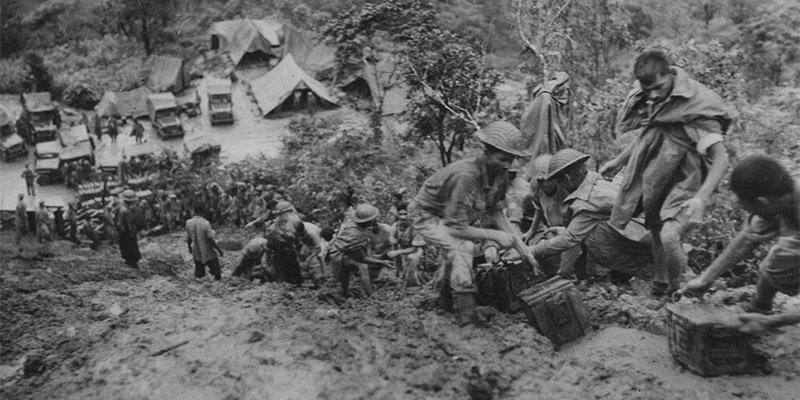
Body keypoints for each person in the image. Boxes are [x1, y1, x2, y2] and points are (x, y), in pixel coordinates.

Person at [599, 50, 732, 297]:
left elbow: (722, 158)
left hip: (689, 180)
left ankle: (680, 292)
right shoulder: (660, 100)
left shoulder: (698, 105)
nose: (654, 95)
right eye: (648, 90)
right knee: (658, 231)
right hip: (660, 174)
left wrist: (701, 197)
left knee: (671, 236)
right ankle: (661, 287)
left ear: (671, 73)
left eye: (659, 87)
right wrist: (619, 161)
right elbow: (652, 133)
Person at [409, 120, 538, 326]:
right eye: (502, 158)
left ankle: (445, 301)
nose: (507, 164)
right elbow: (455, 227)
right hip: (428, 216)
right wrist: (495, 236)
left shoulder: (501, 174)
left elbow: (497, 212)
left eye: (511, 159)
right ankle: (467, 316)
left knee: (460, 251)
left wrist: (524, 251)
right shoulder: (466, 175)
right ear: (486, 152)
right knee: (463, 247)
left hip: (456, 216)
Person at [679, 155, 799, 316]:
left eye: (749, 208)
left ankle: (761, 309)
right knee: (778, 258)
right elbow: (748, 238)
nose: (749, 213)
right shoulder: (778, 198)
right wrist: (705, 279)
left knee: (783, 254)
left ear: (763, 201)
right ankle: (760, 306)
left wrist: (771, 323)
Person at [528, 149, 653, 282]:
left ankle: (643, 271)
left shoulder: (587, 200)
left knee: (593, 235)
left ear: (566, 178)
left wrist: (530, 250)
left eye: (559, 180)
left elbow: (569, 239)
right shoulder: (597, 183)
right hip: (651, 231)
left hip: (647, 239)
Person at [328, 203, 394, 297]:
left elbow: (349, 212)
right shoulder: (358, 236)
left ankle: (344, 292)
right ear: (368, 221)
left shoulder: (351, 219)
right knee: (363, 267)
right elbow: (361, 258)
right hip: (340, 254)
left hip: (339, 250)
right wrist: (382, 263)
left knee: (347, 271)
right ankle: (370, 296)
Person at [186, 203, 224, 280]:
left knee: (199, 275)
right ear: (203, 212)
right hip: (208, 251)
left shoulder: (188, 222)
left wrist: (189, 247)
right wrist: (219, 250)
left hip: (196, 251)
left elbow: (188, 237)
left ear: (194, 211)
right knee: (217, 272)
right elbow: (211, 239)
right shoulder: (205, 223)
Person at [116, 190, 141, 268]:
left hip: (122, 231)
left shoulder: (121, 208)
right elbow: (129, 223)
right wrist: (132, 232)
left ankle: (129, 260)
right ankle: (132, 262)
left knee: (125, 247)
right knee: (131, 247)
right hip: (127, 232)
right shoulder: (126, 210)